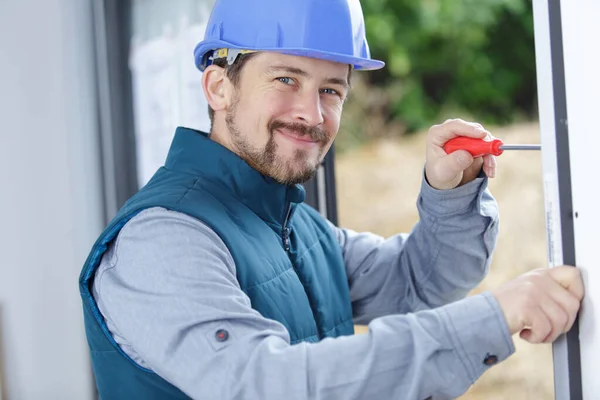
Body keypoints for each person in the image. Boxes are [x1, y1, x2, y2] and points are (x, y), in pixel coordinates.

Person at [78, 0, 584, 399]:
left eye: (331, 91)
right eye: (286, 79)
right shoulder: (162, 239)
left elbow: (417, 283)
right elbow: (270, 388)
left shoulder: (293, 225)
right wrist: (495, 317)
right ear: (218, 87)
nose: (312, 114)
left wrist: (449, 194)